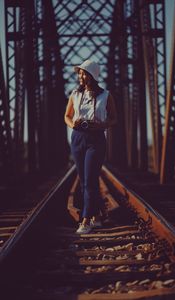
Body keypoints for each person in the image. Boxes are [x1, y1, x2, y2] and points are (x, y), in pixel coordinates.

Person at [64, 59, 117, 234]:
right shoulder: (75, 94)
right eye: (79, 72)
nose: (79, 75)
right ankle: (97, 216)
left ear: (91, 76)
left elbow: (113, 118)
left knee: (90, 179)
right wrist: (73, 124)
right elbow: (67, 116)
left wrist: (100, 126)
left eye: (83, 73)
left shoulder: (106, 95)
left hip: (96, 139)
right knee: (84, 179)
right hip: (78, 137)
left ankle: (85, 221)